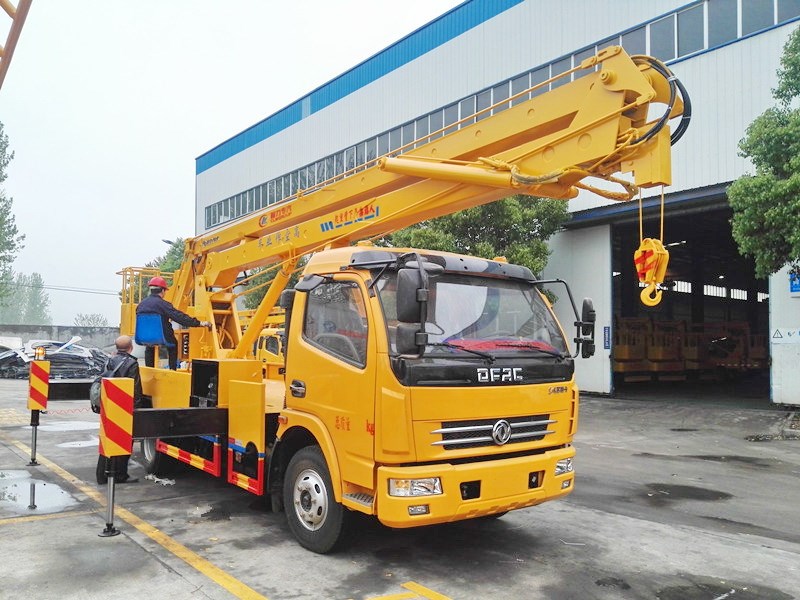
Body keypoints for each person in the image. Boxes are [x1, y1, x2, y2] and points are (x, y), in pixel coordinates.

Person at [136, 276, 211, 370]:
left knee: (150, 345)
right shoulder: (163, 304)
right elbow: (179, 317)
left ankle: (149, 369)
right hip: (162, 337)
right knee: (173, 344)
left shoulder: (140, 305)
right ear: (163, 291)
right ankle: (172, 369)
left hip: (143, 337)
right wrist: (198, 323)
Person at [96, 335, 143, 485]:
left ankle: (101, 475)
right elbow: (135, 389)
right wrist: (136, 410)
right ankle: (120, 475)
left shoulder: (110, 360)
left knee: (107, 440)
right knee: (124, 441)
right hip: (123, 406)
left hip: (109, 403)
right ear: (131, 347)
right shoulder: (131, 363)